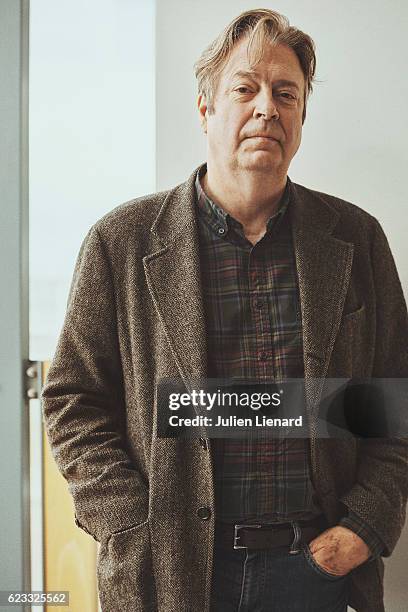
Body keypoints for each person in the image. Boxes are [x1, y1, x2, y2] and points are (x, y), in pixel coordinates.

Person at [41, 8, 408, 612]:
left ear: (300, 120)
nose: (267, 106)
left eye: (285, 93)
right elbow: (74, 400)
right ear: (206, 109)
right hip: (173, 572)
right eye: (245, 88)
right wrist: (132, 524)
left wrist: (363, 528)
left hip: (315, 571)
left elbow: (392, 402)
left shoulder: (356, 239)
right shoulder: (122, 241)